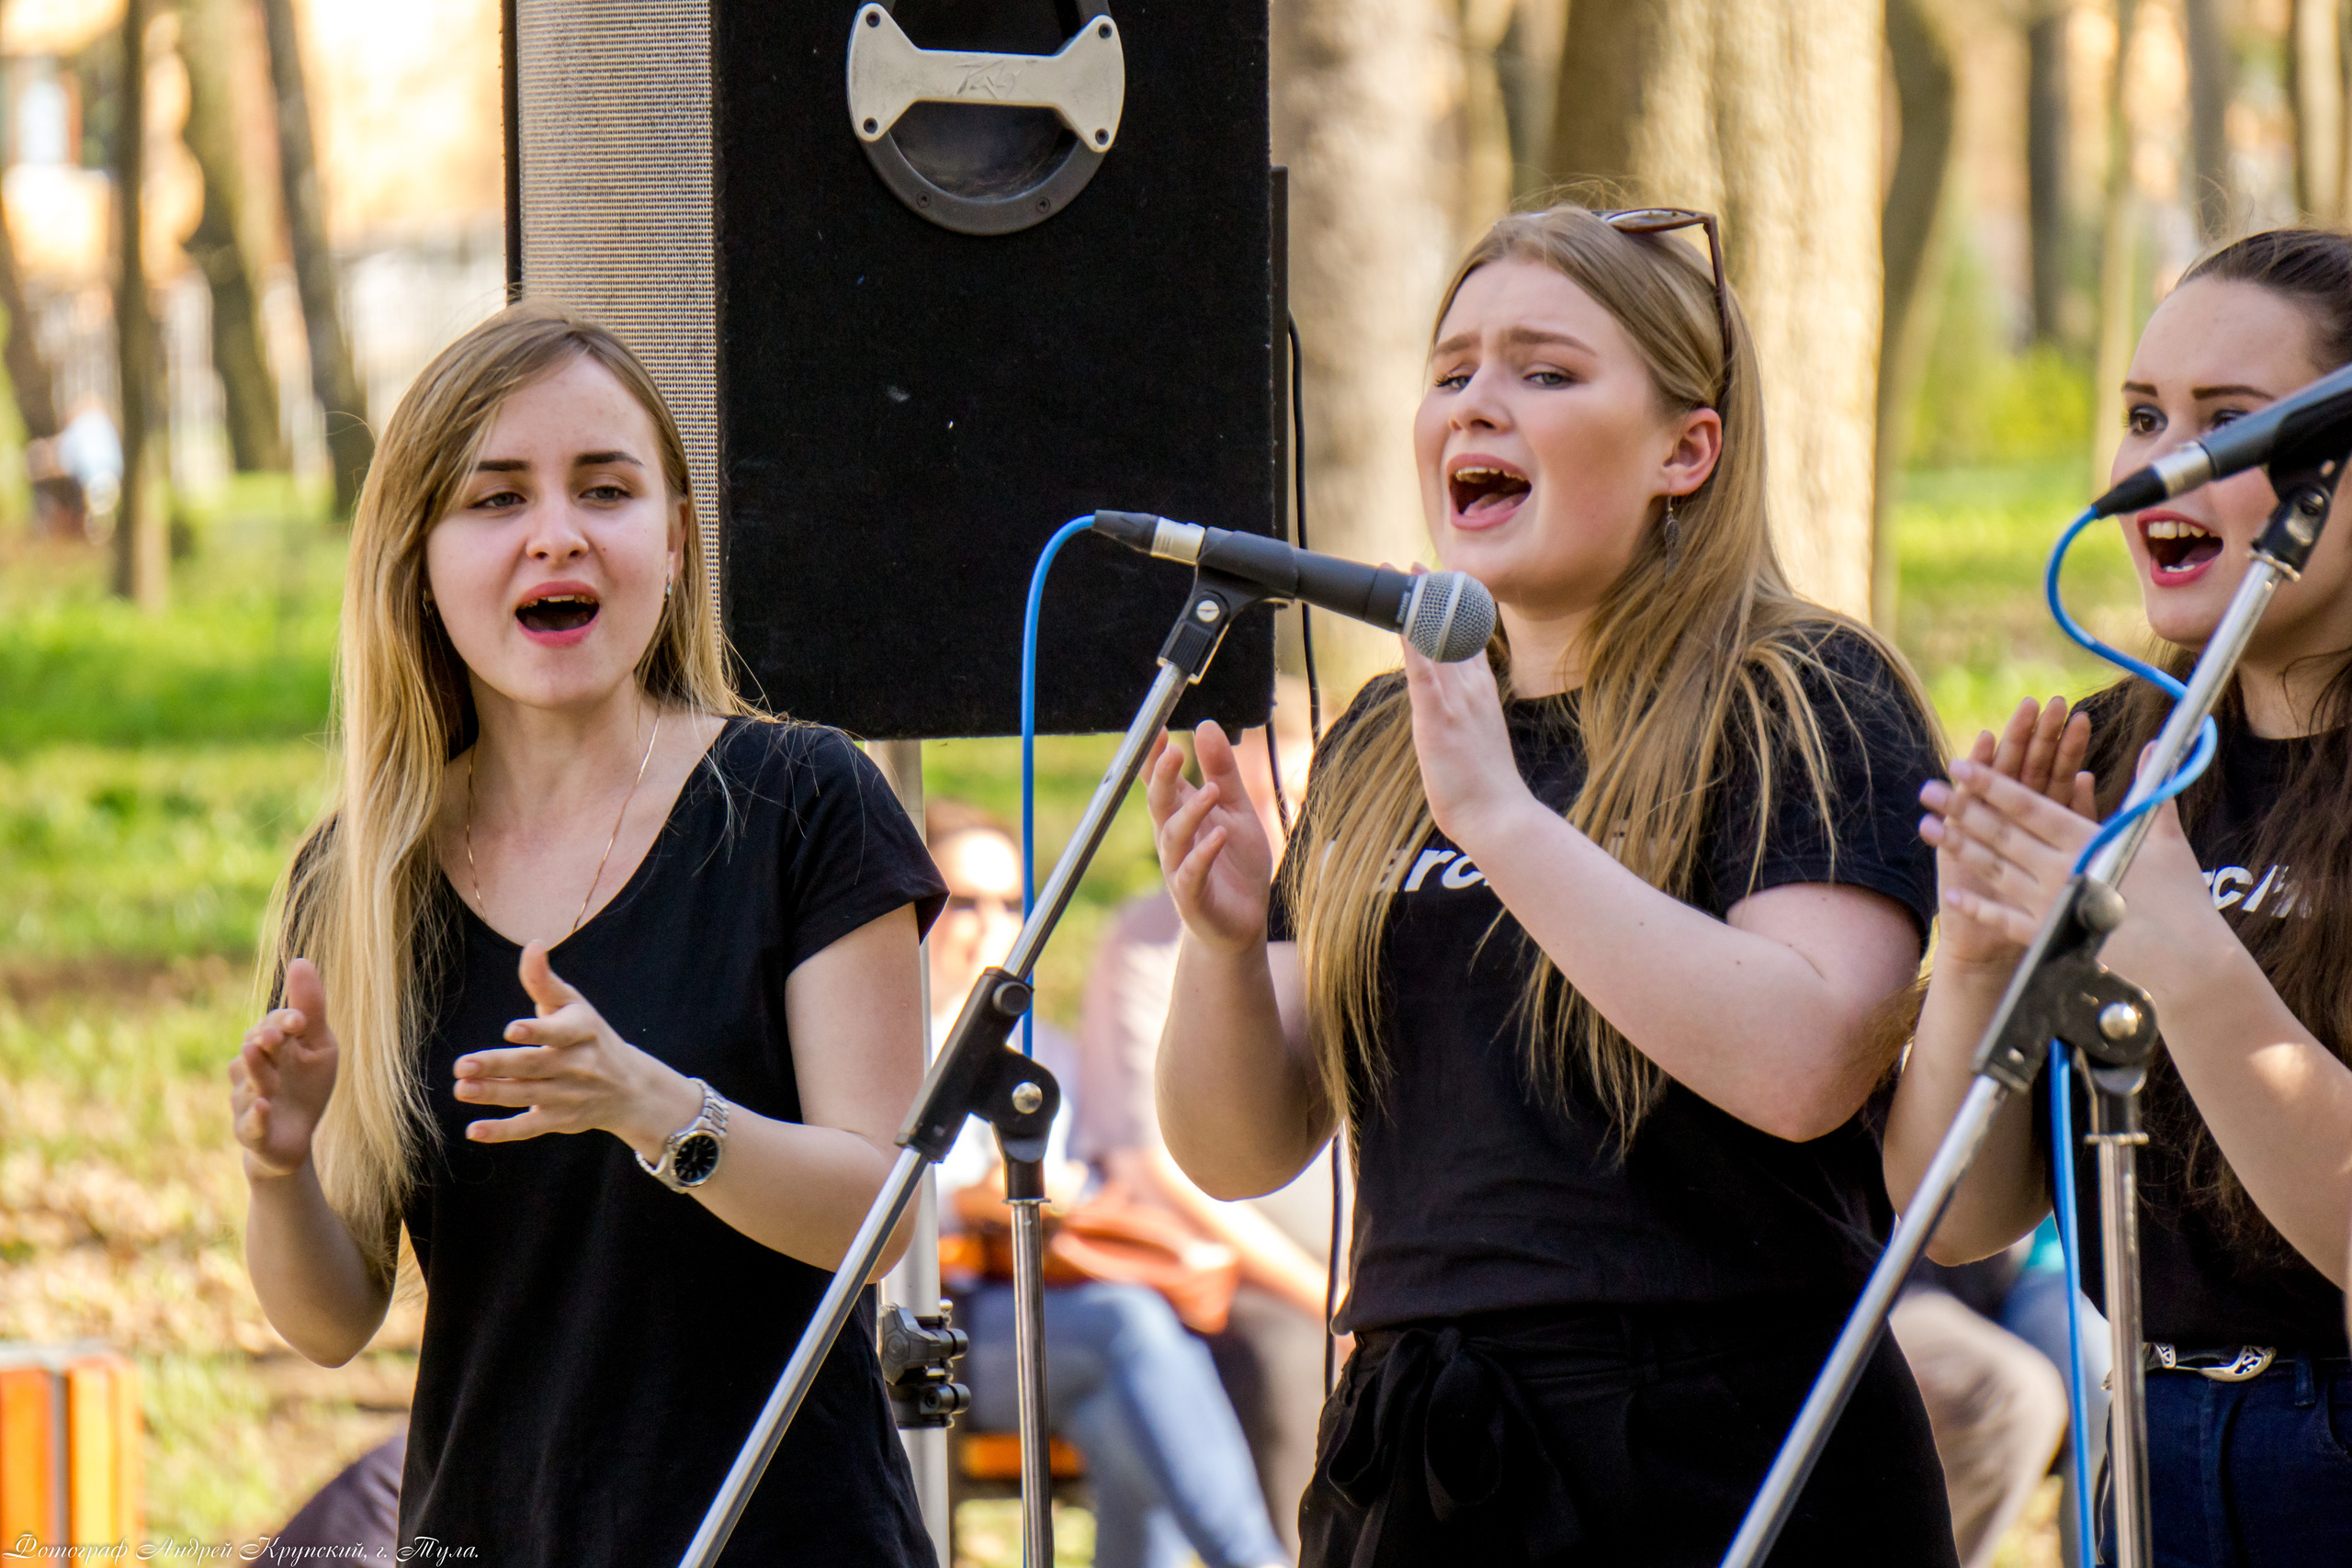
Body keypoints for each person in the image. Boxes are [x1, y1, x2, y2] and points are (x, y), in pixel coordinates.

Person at [1147, 203, 1957, 1564]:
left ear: (1685, 449)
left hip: (1717, 1442)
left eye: (1544, 370)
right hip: (1425, 1445)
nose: (1478, 405)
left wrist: (1502, 821)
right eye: (1452, 370)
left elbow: (1807, 1055)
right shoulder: (1384, 736)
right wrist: (1220, 946)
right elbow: (1237, 1149)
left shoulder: (1804, 694)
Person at [228, 302, 945, 1566]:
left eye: (603, 489)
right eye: (495, 499)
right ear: (417, 556)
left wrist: (654, 1106)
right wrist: (281, 1167)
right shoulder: (358, 877)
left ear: (672, 539)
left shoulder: (805, 803)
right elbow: (333, 1317)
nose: (555, 534)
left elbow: (879, 1214)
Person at [1889, 227, 2352, 1566]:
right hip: (2140, 1447)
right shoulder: (2112, 754)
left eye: (2230, 421)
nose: (2162, 462)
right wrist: (1981, 958)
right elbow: (1960, 1215)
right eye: (2145, 414)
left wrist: (2181, 952)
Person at [925, 801, 1291, 1568]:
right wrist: (984, 1196)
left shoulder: (1043, 1046)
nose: (988, 922)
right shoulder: (889, 1039)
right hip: (943, 1321)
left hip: (1053, 1303)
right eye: (963, 900)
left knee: (1124, 1415)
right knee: (1131, 1328)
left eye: (1010, 901)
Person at [1079, 684, 1336, 1551]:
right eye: (1249, 750)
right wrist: (1320, 1294)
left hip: (1347, 1258)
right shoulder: (1149, 936)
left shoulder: (1341, 918)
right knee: (1287, 1344)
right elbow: (1151, 1168)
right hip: (1229, 1267)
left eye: (1289, 746)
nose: (1269, 774)